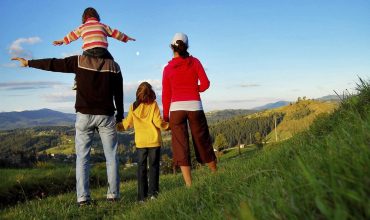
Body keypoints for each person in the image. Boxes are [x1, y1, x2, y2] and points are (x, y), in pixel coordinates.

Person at [11, 54, 123, 206]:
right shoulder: (113, 65)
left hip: (84, 115)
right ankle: (113, 196)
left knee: (83, 158)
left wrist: (29, 63)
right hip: (106, 115)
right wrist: (120, 116)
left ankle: (83, 198)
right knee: (111, 157)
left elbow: (54, 63)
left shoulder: (79, 60)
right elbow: (119, 93)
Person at [162, 33, 217, 187]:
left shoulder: (167, 69)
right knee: (202, 140)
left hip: (176, 110)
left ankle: (189, 184)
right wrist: (194, 88)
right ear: (186, 47)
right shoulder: (195, 62)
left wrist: (166, 116)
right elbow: (205, 84)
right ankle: (214, 172)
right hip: (195, 106)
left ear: (172, 47)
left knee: (180, 145)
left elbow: (166, 95)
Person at [53, 7, 135, 90]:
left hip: (88, 52)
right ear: (97, 16)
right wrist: (126, 38)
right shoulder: (103, 26)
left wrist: (62, 41)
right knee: (112, 62)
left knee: (80, 65)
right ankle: (113, 77)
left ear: (84, 17)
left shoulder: (82, 27)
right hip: (102, 51)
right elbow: (116, 33)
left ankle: (77, 82)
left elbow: (71, 35)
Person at [118, 82, 169, 202]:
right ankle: (153, 194)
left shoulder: (133, 107)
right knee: (154, 168)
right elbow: (158, 122)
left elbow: (126, 124)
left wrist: (117, 126)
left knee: (141, 169)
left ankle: (141, 197)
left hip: (141, 142)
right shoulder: (154, 105)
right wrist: (168, 126)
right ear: (150, 93)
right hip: (154, 141)